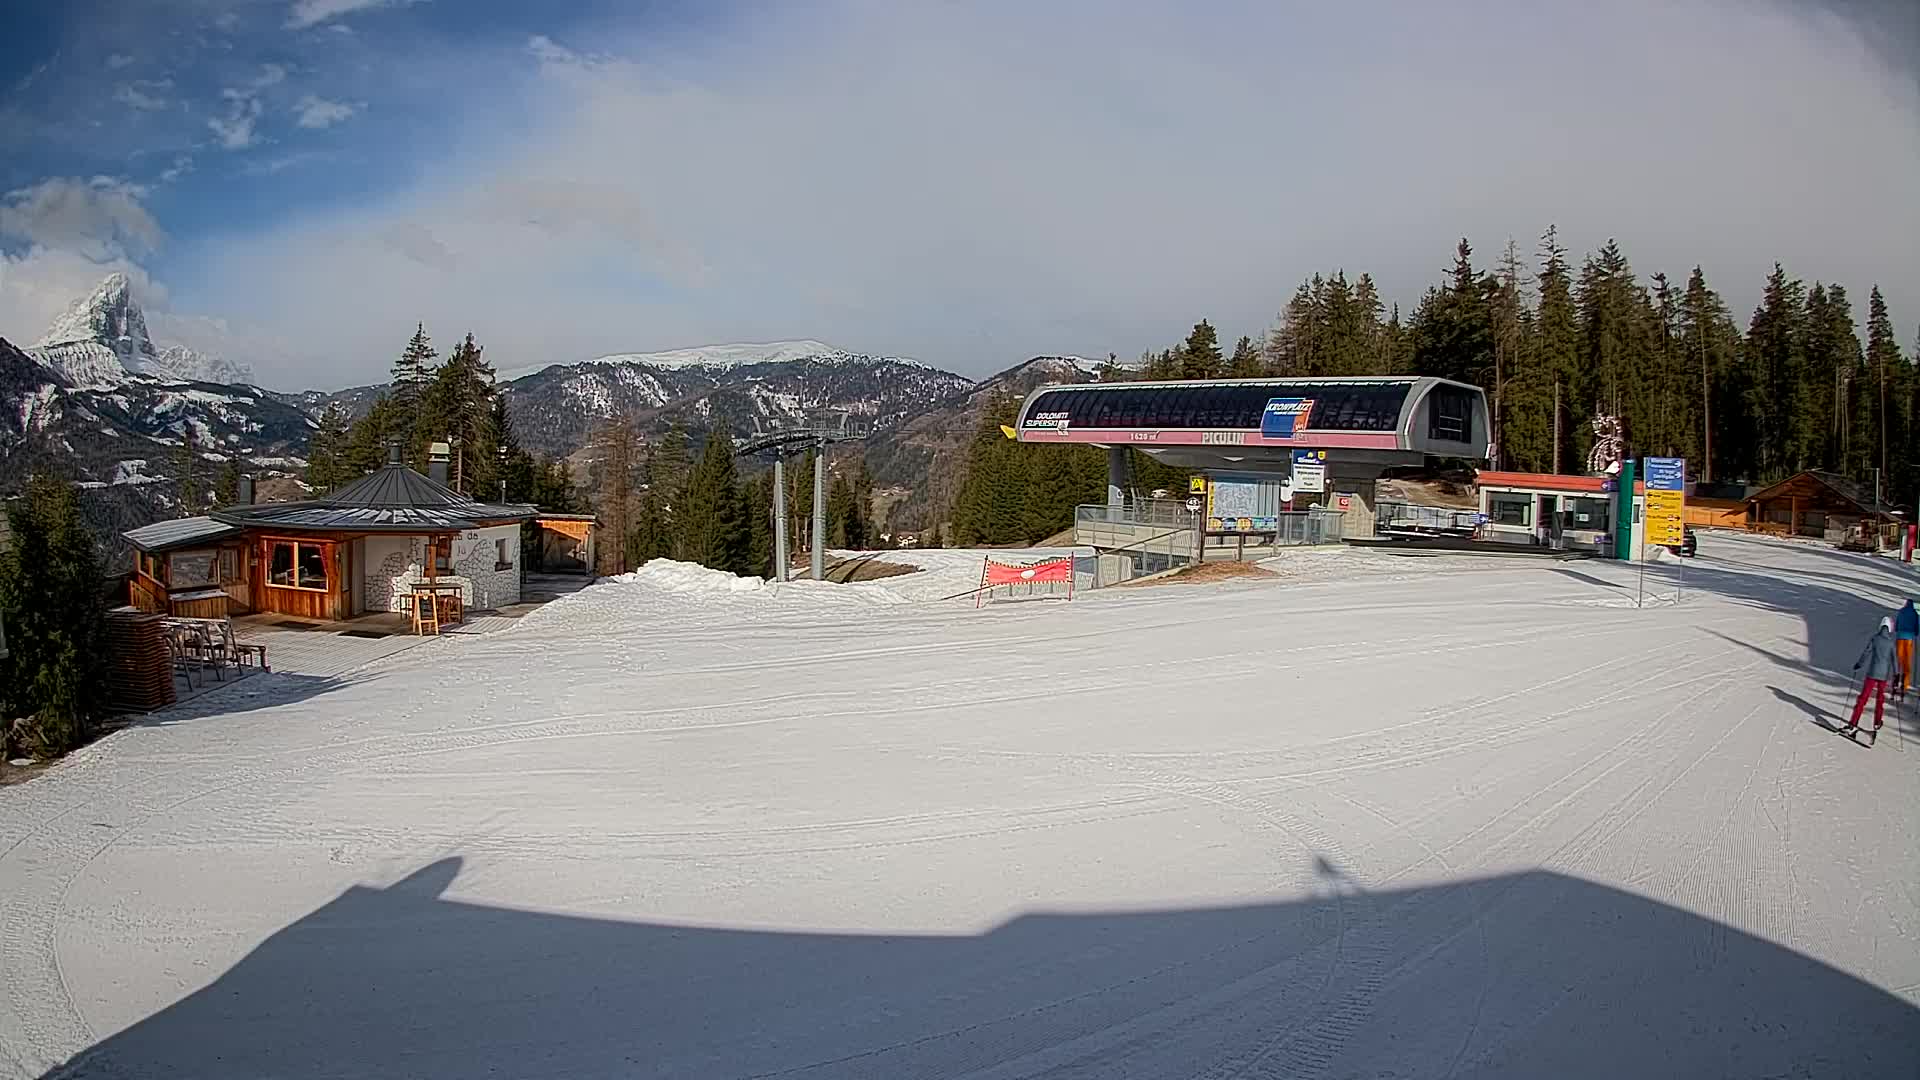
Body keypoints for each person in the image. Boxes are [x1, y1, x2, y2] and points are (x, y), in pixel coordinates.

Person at [1849, 616, 1897, 737]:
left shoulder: (1875, 638)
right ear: (1890, 628)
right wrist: (1896, 674)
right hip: (1883, 676)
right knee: (1880, 700)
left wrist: (1859, 664)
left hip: (1872, 673)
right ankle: (1877, 722)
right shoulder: (1891, 643)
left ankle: (1853, 722)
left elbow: (1866, 652)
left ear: (1881, 626)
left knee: (1863, 699)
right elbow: (1894, 660)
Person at [1894, 600, 1918, 698]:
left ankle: (1895, 680)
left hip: (1900, 637)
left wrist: (1897, 630)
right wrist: (1915, 633)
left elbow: (1897, 624)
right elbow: (1917, 627)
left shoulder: (1901, 611)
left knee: (1899, 660)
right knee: (1906, 661)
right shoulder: (1915, 613)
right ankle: (1905, 685)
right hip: (1909, 639)